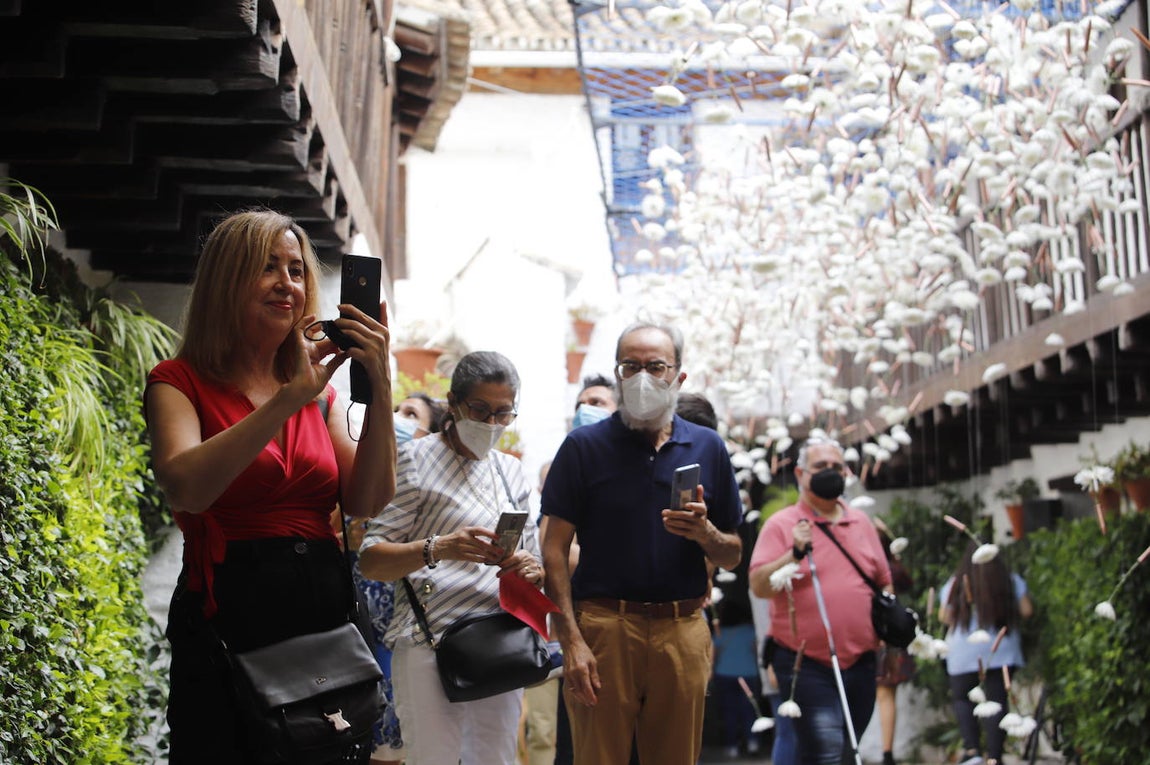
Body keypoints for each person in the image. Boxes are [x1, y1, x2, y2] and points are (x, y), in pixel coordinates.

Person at [145, 209, 397, 764]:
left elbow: (368, 500)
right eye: (267, 268)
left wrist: (379, 384)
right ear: (225, 281)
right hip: (230, 611)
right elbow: (187, 488)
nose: (288, 283)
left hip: (319, 610)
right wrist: (288, 400)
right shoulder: (177, 380)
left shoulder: (323, 395)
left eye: (296, 269)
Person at [541, 322, 743, 765]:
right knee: (598, 757)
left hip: (682, 628)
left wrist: (704, 532)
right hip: (603, 629)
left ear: (679, 376)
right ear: (617, 374)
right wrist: (570, 640)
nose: (643, 377)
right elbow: (553, 547)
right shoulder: (583, 447)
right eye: (630, 366)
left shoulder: (707, 447)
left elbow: (732, 553)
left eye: (656, 366)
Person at [358, 351, 544, 765]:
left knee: (495, 759)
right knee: (432, 758)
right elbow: (371, 558)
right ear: (453, 402)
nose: (491, 424)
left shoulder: (510, 472)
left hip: (499, 641)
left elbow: (531, 557)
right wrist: (437, 547)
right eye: (479, 409)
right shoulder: (415, 460)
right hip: (430, 642)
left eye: (503, 413)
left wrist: (531, 568)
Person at [748, 437, 891, 765]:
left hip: (861, 660)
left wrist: (889, 635)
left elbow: (883, 582)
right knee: (824, 751)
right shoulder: (782, 525)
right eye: (821, 467)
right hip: (805, 662)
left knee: (847, 749)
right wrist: (793, 554)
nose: (830, 473)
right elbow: (759, 585)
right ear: (800, 473)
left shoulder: (862, 523)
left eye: (836, 467)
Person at [347, 391, 446, 764]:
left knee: (394, 743)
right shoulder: (362, 476)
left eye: (410, 414)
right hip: (355, 630)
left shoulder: (426, 495)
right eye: (396, 409)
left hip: (400, 629)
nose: (398, 418)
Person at [939, 541, 1034, 765]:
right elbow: (1027, 610)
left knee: (964, 701)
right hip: (1000, 653)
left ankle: (972, 752)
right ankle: (994, 757)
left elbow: (945, 616)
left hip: (963, 654)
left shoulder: (956, 583)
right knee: (997, 701)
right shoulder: (1008, 580)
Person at [873, 519, 915, 765]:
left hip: (871, 635)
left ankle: (883, 751)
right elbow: (908, 583)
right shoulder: (893, 568)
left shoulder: (869, 566)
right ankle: (887, 752)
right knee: (887, 695)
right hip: (891, 636)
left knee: (879, 694)